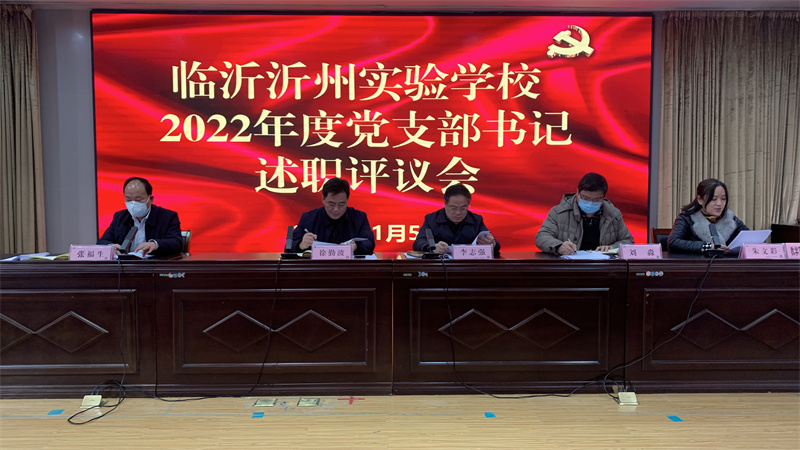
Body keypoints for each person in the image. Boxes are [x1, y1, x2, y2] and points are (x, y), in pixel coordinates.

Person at [535, 172, 633, 255]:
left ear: (603, 198)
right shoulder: (559, 212)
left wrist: (612, 248)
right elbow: (541, 237)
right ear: (577, 192)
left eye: (597, 199)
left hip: (603, 267)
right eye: (585, 198)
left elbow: (628, 241)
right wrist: (558, 246)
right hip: (570, 266)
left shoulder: (613, 215)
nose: (590, 203)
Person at [97, 177, 183, 256]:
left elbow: (177, 243)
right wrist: (111, 247)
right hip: (125, 266)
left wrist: (155, 244)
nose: (133, 204)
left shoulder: (167, 217)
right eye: (128, 199)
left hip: (154, 265)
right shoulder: (120, 217)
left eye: (138, 199)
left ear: (150, 199)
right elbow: (102, 242)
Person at [292, 177, 376, 255]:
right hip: (317, 266)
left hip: (349, 265)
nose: (336, 209)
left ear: (347, 200)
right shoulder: (308, 218)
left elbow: (369, 243)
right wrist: (301, 244)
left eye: (341, 204)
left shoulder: (359, 218)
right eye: (331, 204)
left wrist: (356, 246)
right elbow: (290, 245)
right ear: (323, 199)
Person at [412, 184, 500, 256]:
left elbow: (495, 245)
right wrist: (432, 247)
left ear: (468, 205)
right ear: (445, 204)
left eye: (463, 208)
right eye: (453, 208)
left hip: (468, 266)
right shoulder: (432, 219)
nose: (458, 212)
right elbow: (418, 243)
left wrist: (492, 244)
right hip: (440, 266)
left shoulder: (476, 220)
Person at [667, 178, 749, 254]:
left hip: (727, 263)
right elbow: (673, 242)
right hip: (698, 263)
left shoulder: (730, 217)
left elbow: (748, 237)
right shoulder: (687, 217)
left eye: (723, 199)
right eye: (714, 199)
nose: (719, 204)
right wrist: (708, 247)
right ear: (700, 200)